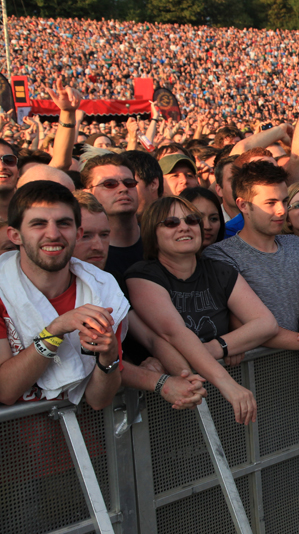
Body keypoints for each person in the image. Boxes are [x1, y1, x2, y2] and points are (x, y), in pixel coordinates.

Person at [125, 196, 279, 424]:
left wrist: (220, 346)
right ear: (152, 235)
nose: (184, 226)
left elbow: (266, 323)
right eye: (170, 223)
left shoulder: (220, 270)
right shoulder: (142, 274)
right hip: (172, 405)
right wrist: (229, 383)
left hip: (222, 401)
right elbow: (172, 334)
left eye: (191, 220)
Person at [203, 161, 299, 386]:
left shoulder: (295, 244)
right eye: (270, 203)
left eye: (285, 201)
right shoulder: (220, 255)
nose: (281, 210)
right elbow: (242, 325)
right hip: (250, 380)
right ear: (243, 205)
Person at [72, 191, 207, 410]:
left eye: (104, 235)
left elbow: (150, 338)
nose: (98, 245)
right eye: (85, 236)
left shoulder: (108, 281)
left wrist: (185, 378)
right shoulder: (49, 288)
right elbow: (87, 366)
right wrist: (161, 381)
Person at [0, 182, 127, 408]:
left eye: (64, 223)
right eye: (38, 224)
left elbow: (99, 401)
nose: (53, 234)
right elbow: (5, 390)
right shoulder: (2, 288)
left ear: (77, 233)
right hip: (15, 440)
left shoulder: (102, 289)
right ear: (15, 235)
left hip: (81, 439)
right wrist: (56, 329)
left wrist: (109, 358)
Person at [81, 153, 143, 283]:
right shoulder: (83, 251)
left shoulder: (160, 240)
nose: (123, 189)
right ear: (87, 193)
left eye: (129, 183)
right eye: (109, 184)